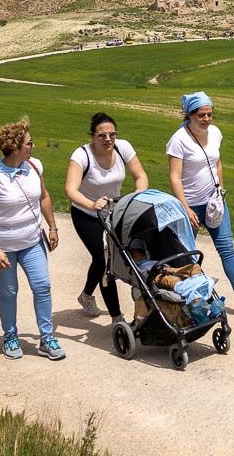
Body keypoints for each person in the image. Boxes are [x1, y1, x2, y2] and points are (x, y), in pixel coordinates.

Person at [0, 118, 65, 360]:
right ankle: (10, 336)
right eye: (29, 143)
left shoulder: (34, 166)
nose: (33, 146)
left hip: (32, 241)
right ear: (15, 147)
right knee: (9, 291)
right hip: (1, 246)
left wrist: (53, 227)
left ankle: (46, 338)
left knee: (42, 287)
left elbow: (44, 197)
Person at [167, 91, 234, 315]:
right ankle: (193, 302)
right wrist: (185, 207)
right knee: (189, 256)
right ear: (189, 115)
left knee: (226, 248)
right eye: (201, 115)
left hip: (213, 201)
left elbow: (217, 163)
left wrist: (220, 190)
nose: (207, 119)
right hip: (189, 205)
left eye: (210, 114)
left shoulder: (216, 133)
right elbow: (174, 177)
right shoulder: (178, 140)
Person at [64, 111, 149, 322]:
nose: (108, 139)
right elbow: (71, 190)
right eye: (102, 135)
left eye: (112, 134)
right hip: (87, 214)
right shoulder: (82, 156)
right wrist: (92, 204)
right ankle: (116, 317)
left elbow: (141, 176)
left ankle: (86, 295)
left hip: (116, 212)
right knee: (104, 260)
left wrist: (139, 195)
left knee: (134, 254)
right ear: (92, 136)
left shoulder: (123, 148)